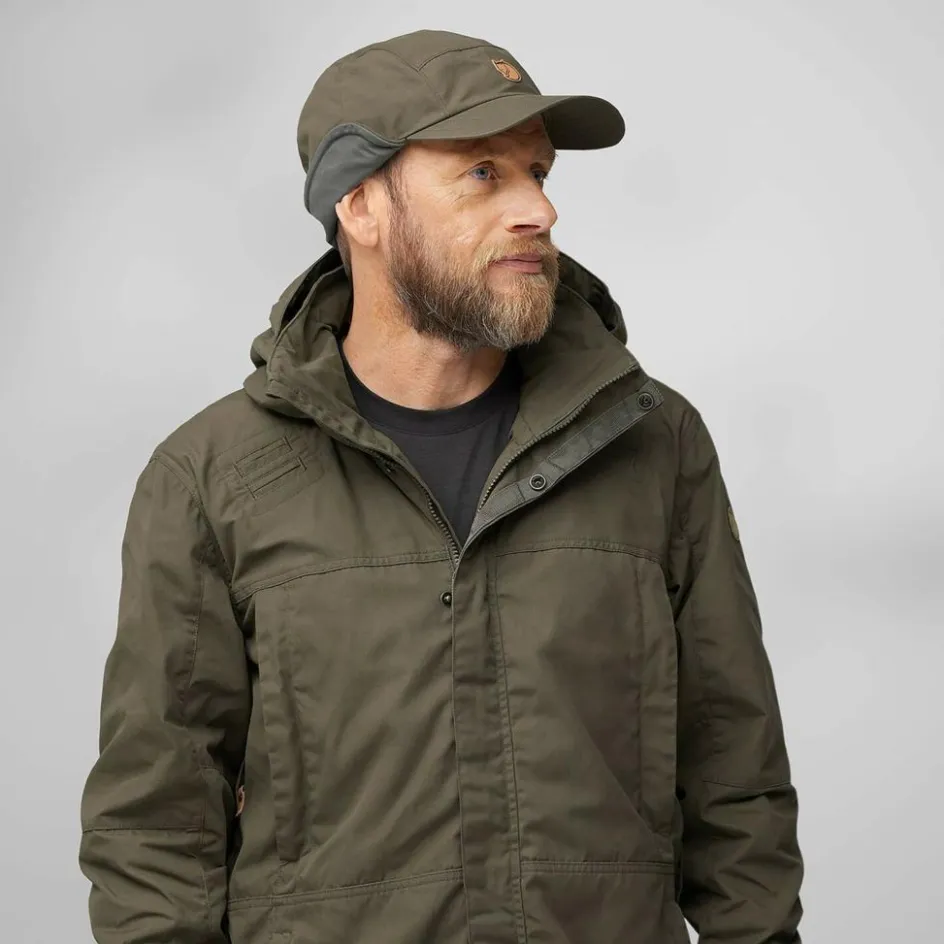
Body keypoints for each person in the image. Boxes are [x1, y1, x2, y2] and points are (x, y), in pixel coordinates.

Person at [79, 28, 804, 944]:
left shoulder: (654, 444)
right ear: (361, 207)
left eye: (538, 172)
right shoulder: (212, 478)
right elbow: (155, 827)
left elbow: (737, 780)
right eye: (483, 174)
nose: (539, 208)